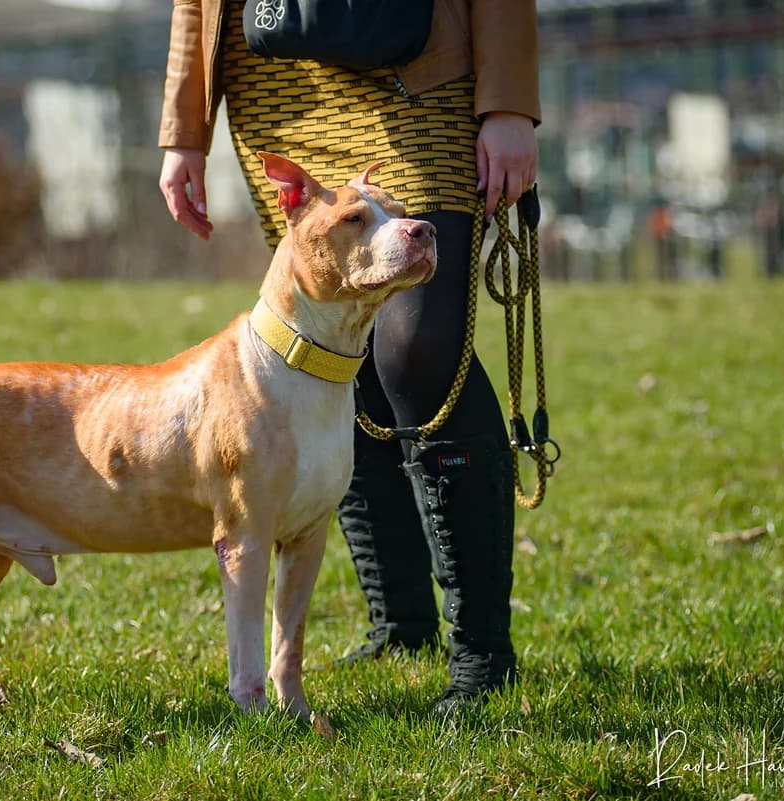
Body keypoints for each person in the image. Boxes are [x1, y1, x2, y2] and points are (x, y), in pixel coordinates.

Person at [158, 0, 540, 714]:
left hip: (417, 67)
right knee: (336, 338)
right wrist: (185, 127)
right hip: (276, 79)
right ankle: (401, 625)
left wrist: (510, 102)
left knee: (417, 349)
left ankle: (483, 652)